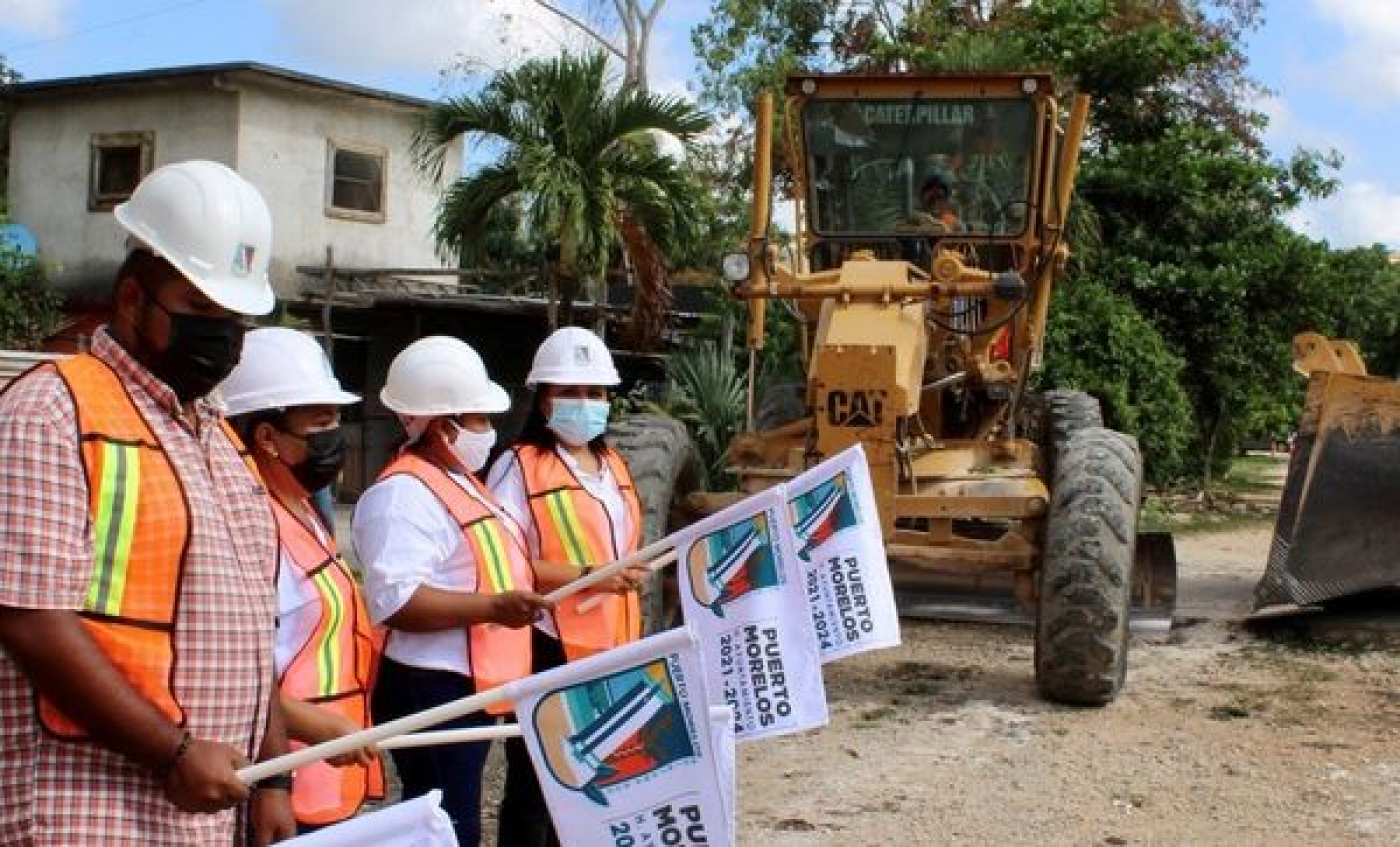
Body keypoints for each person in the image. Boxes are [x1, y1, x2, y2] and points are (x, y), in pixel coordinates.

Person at [0, 160, 296, 845]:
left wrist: (275, 773)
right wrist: (171, 750)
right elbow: (29, 619)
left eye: (237, 319)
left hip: (203, 807)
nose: (223, 335)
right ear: (132, 300)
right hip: (87, 809)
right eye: (201, 312)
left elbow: (252, 623)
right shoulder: (51, 410)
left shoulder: (219, 436)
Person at [352, 335, 551, 847]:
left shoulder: (461, 481)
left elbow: (502, 565)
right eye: (480, 419)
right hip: (431, 685)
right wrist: (493, 608)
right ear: (444, 427)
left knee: (455, 819)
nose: (489, 431)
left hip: (467, 684)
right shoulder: (401, 495)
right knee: (445, 822)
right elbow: (395, 601)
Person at [486, 326, 650, 847]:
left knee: (594, 781)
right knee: (539, 785)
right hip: (548, 646)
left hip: (612, 649)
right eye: (570, 392)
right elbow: (500, 561)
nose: (585, 404)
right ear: (543, 398)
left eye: (595, 394)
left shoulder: (613, 465)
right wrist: (589, 577)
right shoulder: (519, 465)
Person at [218, 327, 385, 834]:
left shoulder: (306, 509)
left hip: (328, 766)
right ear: (266, 436)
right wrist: (317, 728)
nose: (336, 434)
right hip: (277, 777)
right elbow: (232, 670)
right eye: (322, 421)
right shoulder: (248, 525)